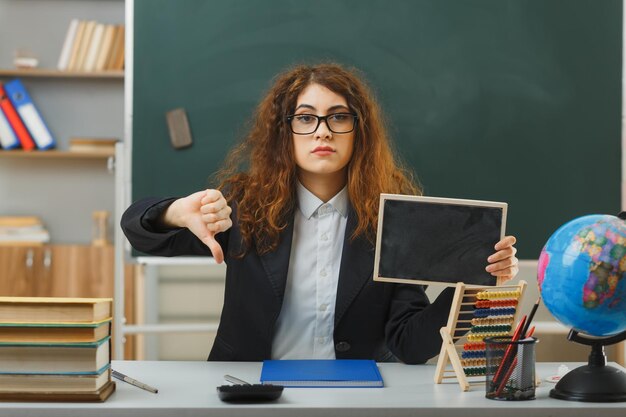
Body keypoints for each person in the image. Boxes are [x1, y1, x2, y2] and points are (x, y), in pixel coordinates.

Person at [121, 63, 519, 364]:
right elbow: (136, 229)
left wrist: (472, 283)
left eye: (339, 117)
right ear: (285, 131)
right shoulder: (245, 207)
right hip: (253, 393)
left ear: (359, 132)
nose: (323, 131)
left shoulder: (391, 220)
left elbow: (411, 346)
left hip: (357, 400)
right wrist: (175, 212)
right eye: (306, 117)